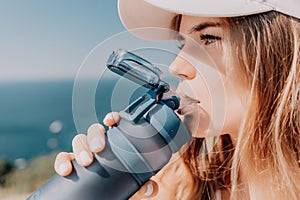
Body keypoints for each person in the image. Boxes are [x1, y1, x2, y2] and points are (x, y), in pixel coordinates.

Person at [54, 0, 300, 199]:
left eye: (209, 38)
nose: (176, 66)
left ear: (285, 49)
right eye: (182, 44)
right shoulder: (179, 184)